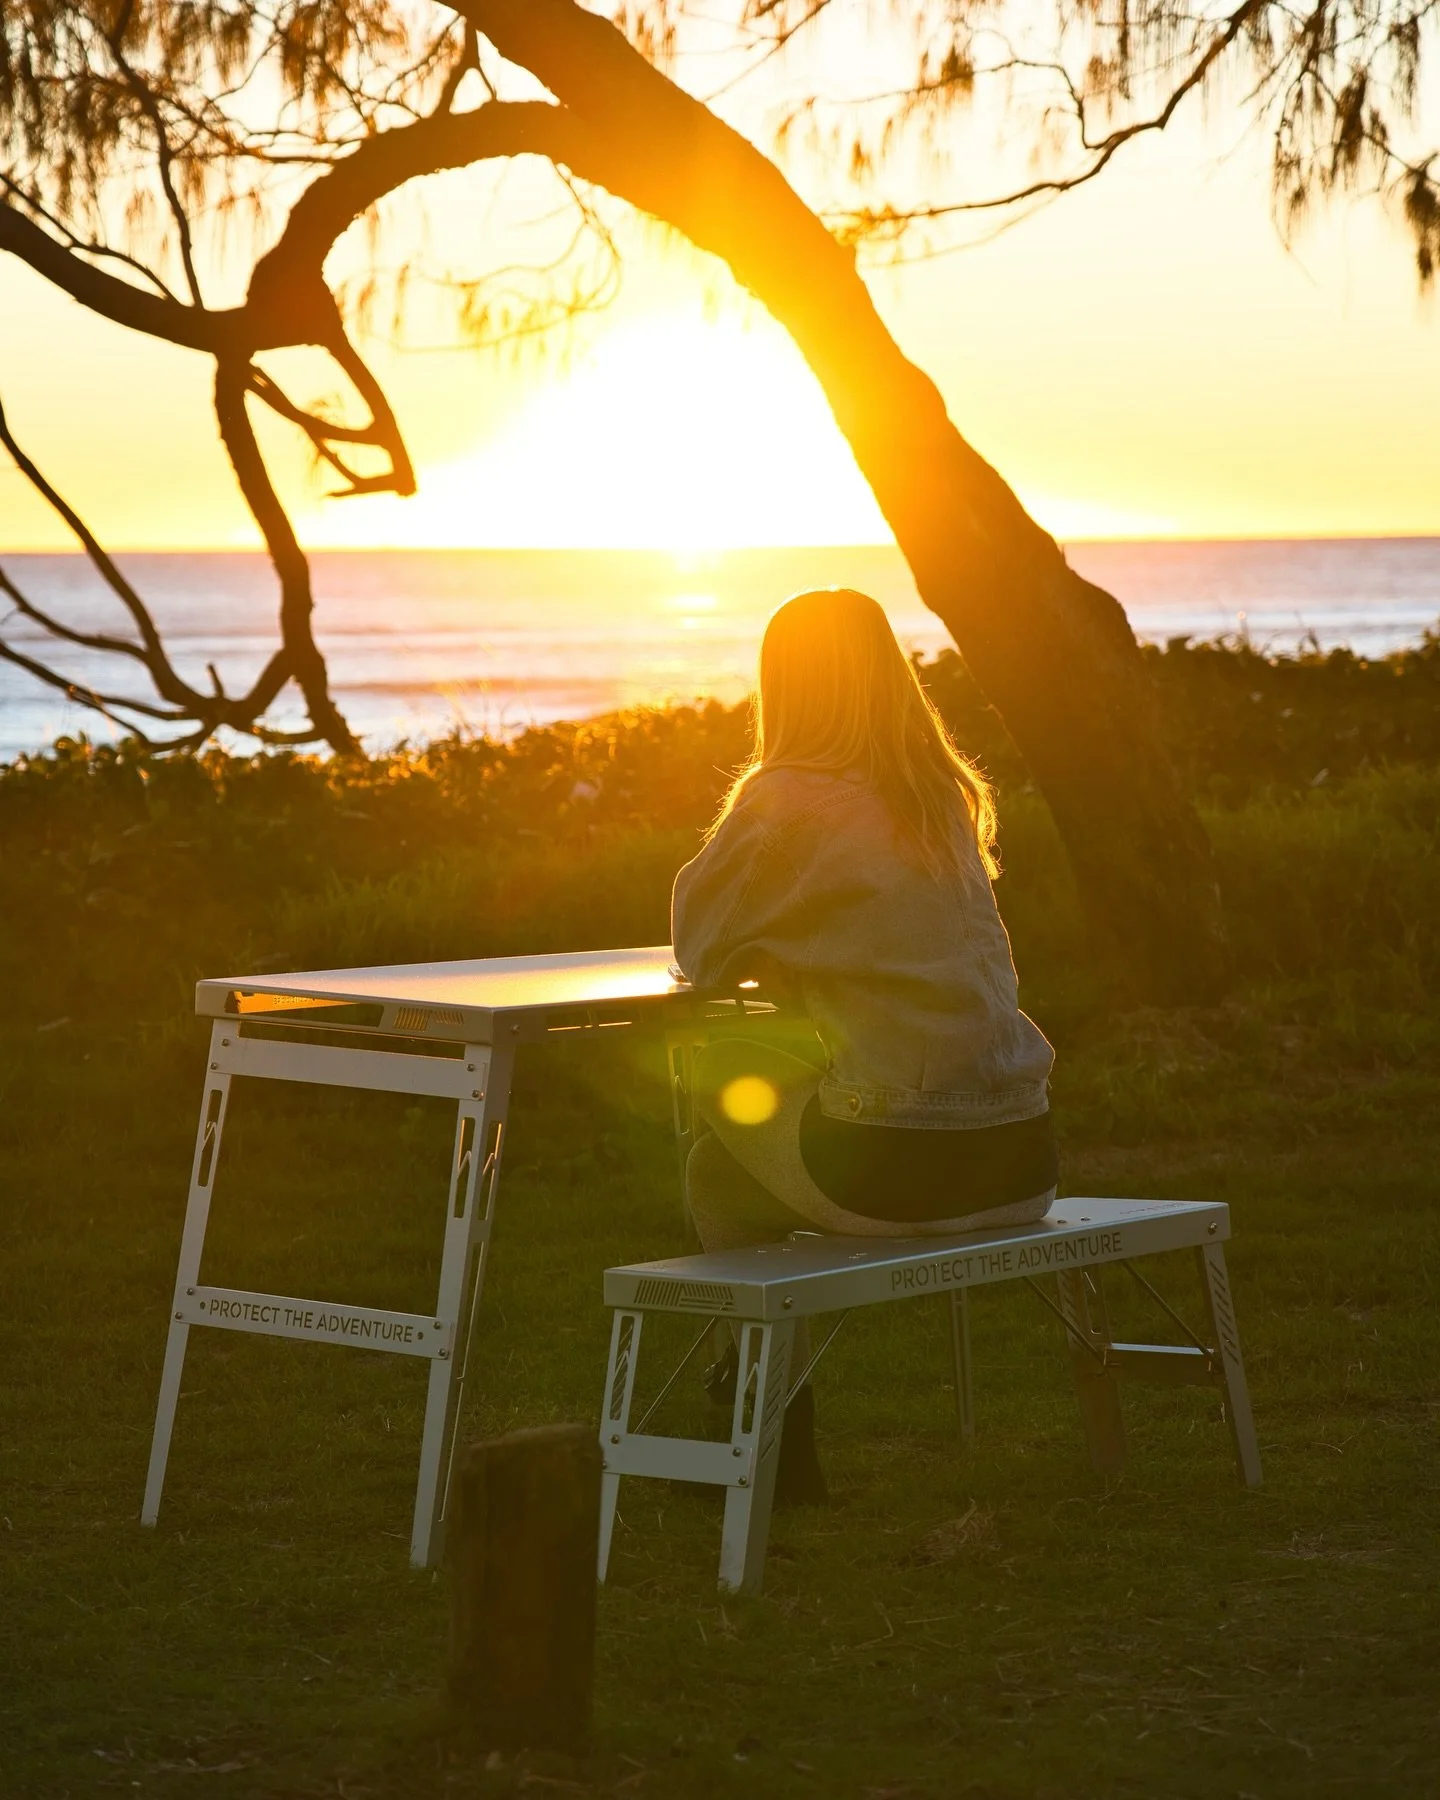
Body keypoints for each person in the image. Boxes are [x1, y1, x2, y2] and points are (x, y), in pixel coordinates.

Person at [671, 588, 1058, 1502]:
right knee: (771, 1105)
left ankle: (766, 1420)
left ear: (786, 685)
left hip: (903, 1168)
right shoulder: (942, 800)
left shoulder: (786, 801)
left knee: (713, 1147)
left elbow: (697, 940)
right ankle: (757, 1412)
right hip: (1021, 1157)